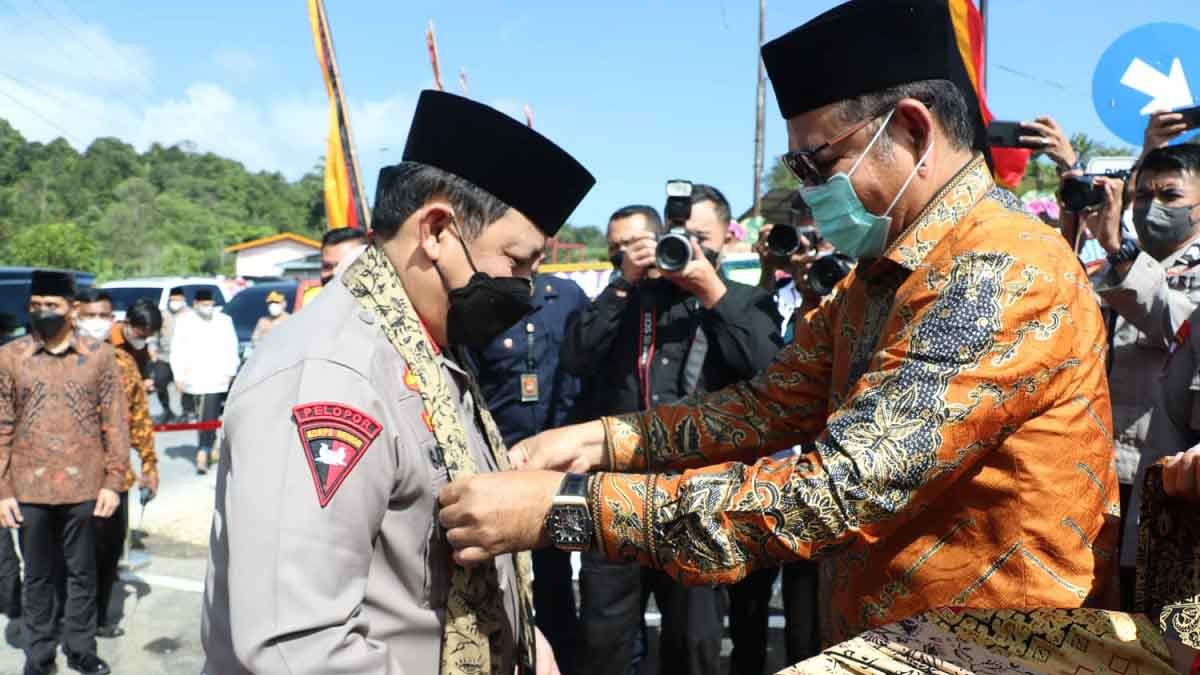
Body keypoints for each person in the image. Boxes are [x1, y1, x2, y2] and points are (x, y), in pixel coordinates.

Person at [438, 0, 1119, 654]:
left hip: (997, 651)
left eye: (819, 164)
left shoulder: (1000, 269)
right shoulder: (879, 274)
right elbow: (769, 407)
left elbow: (834, 490)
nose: (813, 191)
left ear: (912, 131)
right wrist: (603, 439)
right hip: (888, 642)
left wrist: (567, 508)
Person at [201, 90, 595, 675]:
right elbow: (299, 646)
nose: (527, 288)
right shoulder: (330, 378)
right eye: (516, 262)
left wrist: (523, 639)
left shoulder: (430, 347)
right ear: (436, 231)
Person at [560, 194, 782, 675]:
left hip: (699, 501)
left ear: (726, 237)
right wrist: (624, 280)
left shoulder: (744, 302)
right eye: (678, 237)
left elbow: (771, 375)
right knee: (603, 641)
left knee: (696, 646)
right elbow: (576, 357)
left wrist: (711, 293)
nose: (688, 246)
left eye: (700, 238)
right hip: (618, 492)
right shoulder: (628, 298)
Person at [1064, 143, 1200, 609]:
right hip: (1100, 467)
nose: (1150, 207)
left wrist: (1118, 249)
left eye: (1169, 195)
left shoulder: (1135, 261)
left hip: (1162, 470)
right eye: (1141, 196)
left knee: (1152, 612)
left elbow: (1174, 325)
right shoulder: (1116, 263)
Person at [0, 270, 127, 675]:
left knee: (81, 574)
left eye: (51, 306)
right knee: (36, 576)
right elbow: (1, 425)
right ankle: (39, 656)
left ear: (72, 309)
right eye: (35, 307)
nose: (43, 313)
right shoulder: (10, 357)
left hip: (85, 484)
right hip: (29, 487)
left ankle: (80, 649)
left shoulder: (99, 357)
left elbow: (115, 422)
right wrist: (2, 490)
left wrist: (114, 481)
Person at [469, 271, 592, 673]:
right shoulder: (483, 301)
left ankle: (564, 659)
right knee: (500, 576)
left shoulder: (568, 295)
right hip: (501, 465)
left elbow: (587, 363)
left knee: (556, 578)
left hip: (558, 464)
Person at [74, 289, 158, 638]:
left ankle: (99, 619)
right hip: (68, 482)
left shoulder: (122, 364)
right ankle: (72, 624)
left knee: (108, 555)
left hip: (114, 480)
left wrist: (150, 465)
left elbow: (139, 417)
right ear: (76, 315)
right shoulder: (52, 361)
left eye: (102, 317)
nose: (96, 324)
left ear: (112, 320)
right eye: (89, 316)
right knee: (73, 560)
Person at [170, 288, 238, 474]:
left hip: (217, 378)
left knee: (207, 415)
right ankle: (212, 443)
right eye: (204, 305)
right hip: (192, 379)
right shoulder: (184, 322)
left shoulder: (224, 321)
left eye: (210, 305)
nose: (208, 308)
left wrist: (231, 371)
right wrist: (178, 375)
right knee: (205, 415)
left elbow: (232, 346)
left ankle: (203, 452)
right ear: (195, 305)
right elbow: (177, 349)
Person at [150, 287, 189, 423]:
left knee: (186, 387)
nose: (175, 303)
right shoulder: (163, 315)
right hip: (165, 356)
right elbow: (154, 335)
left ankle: (185, 413)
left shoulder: (190, 316)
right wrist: (152, 349)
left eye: (178, 300)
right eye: (172, 300)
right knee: (159, 382)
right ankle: (167, 410)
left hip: (185, 359)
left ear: (183, 300)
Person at [110, 296, 162, 393]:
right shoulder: (108, 340)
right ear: (127, 322)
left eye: (147, 337)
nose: (143, 341)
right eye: (141, 336)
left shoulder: (142, 347)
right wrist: (139, 387)